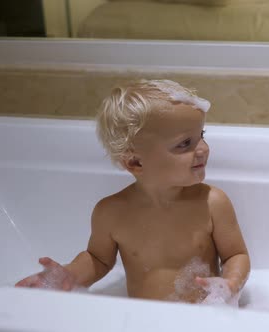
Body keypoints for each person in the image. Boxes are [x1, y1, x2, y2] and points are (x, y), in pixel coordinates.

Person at [16, 79, 250, 306]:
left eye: (202, 136)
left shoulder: (212, 203)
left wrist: (229, 284)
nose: (203, 149)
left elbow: (235, 255)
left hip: (203, 316)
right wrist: (68, 276)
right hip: (141, 319)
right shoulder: (112, 212)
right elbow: (98, 260)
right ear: (135, 163)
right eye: (184, 143)